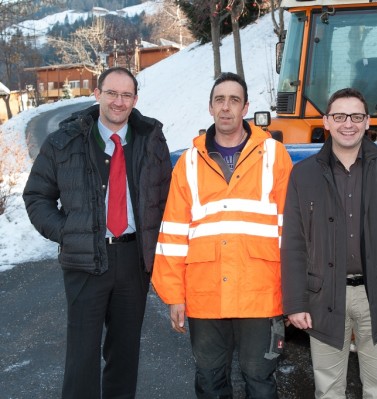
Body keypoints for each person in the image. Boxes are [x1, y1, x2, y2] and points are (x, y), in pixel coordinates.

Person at [22, 66, 172, 398]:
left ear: (135, 99)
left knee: (125, 352)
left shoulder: (151, 140)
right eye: (112, 93)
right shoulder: (65, 141)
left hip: (133, 259)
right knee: (82, 356)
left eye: (126, 95)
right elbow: (36, 196)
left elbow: (166, 198)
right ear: (97, 94)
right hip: (85, 261)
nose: (119, 102)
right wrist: (68, 231)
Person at [151, 72, 293, 398]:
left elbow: (292, 232)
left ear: (246, 108)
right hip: (205, 295)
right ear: (210, 107)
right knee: (211, 382)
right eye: (219, 100)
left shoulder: (275, 156)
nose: (226, 107)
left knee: (260, 381)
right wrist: (174, 295)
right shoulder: (188, 163)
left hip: (261, 294)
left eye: (234, 100)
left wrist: (293, 290)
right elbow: (173, 232)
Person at [281, 88, 377, 398]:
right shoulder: (303, 175)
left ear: (368, 121)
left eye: (356, 116)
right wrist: (295, 302)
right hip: (325, 297)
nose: (349, 124)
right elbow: (293, 243)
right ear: (326, 122)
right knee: (329, 391)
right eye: (340, 116)